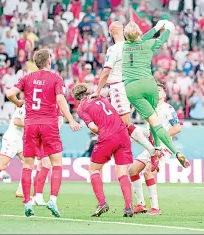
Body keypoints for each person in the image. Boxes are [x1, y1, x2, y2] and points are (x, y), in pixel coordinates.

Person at [6, 49, 81, 217]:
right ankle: (52, 200)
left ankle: (27, 202)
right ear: (49, 61)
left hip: (31, 124)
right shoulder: (56, 79)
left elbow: (10, 93)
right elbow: (61, 100)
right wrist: (71, 119)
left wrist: (18, 102)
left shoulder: (27, 78)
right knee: (57, 164)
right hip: (49, 124)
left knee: (28, 165)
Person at [122, 19, 189, 168]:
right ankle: (170, 150)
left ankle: (157, 150)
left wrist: (154, 28)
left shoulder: (124, 46)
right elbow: (161, 39)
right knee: (155, 120)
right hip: (149, 84)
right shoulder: (147, 44)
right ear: (139, 33)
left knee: (150, 120)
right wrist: (167, 29)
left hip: (132, 88)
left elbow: (138, 39)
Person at [94, 21, 158, 171]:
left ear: (110, 32)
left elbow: (106, 72)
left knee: (124, 124)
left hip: (118, 86)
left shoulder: (113, 49)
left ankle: (151, 149)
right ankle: (148, 141)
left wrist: (97, 91)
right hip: (134, 84)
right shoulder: (132, 45)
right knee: (123, 124)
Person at [72, 83, 134, 218]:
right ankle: (129, 207)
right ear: (87, 91)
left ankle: (102, 203)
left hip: (107, 136)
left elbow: (93, 127)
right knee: (122, 172)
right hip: (122, 134)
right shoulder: (100, 97)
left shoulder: (82, 107)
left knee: (94, 169)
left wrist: (105, 133)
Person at [129, 83, 181, 215]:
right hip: (151, 146)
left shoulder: (168, 109)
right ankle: (141, 204)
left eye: (159, 90)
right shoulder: (149, 109)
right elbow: (149, 131)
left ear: (164, 94)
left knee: (148, 172)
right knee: (133, 171)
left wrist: (161, 136)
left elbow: (176, 128)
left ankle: (156, 208)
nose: (156, 92)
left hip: (163, 146)